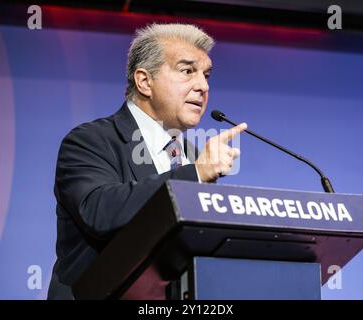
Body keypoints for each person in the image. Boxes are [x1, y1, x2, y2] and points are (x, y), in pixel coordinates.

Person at [47, 23, 247, 299]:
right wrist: (195, 175)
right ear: (144, 82)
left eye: (206, 75)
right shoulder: (89, 141)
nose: (203, 86)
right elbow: (100, 211)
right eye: (187, 71)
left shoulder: (190, 154)